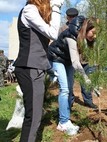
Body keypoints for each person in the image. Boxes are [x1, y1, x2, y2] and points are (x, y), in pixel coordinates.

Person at [13, 0, 63, 141]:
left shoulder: (36, 12)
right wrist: (56, 7)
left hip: (36, 68)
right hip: (30, 68)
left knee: (34, 115)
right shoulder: (29, 10)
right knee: (34, 117)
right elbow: (53, 33)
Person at [48, 15, 98, 135]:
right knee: (64, 89)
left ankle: (65, 116)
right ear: (87, 29)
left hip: (67, 61)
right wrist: (86, 79)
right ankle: (63, 122)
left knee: (69, 89)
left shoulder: (82, 36)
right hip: (56, 58)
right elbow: (76, 62)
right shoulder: (71, 35)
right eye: (93, 32)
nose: (95, 36)